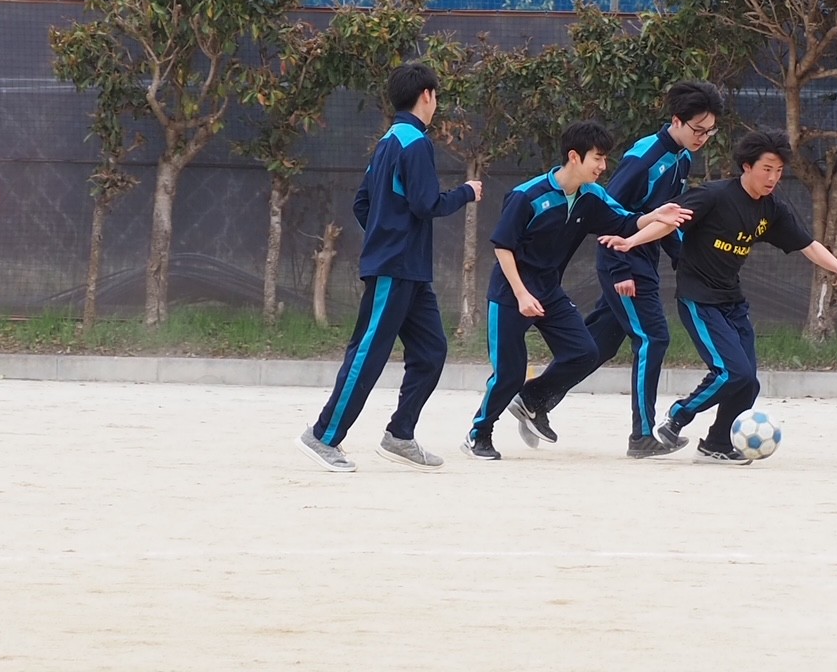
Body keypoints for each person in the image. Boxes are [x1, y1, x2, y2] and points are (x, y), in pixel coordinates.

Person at [600, 129, 837, 464]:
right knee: (731, 373)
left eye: (779, 171)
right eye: (767, 169)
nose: (773, 177)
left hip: (731, 301)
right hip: (698, 298)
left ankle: (717, 443)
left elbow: (806, 244)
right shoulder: (713, 196)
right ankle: (677, 417)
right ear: (747, 166)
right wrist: (631, 242)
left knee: (747, 383)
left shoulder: (773, 210)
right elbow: (668, 222)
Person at [461, 120, 692, 461]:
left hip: (549, 291)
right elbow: (502, 246)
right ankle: (479, 433)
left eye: (604, 159)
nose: (603, 166)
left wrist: (655, 214)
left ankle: (532, 399)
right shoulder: (529, 195)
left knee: (585, 351)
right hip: (511, 293)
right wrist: (522, 294)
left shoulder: (591, 197)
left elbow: (626, 222)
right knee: (509, 373)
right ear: (574, 157)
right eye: (597, 159)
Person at [296, 62, 482, 473]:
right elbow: (427, 204)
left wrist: (385, 234)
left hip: (409, 271)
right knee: (368, 353)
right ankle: (323, 436)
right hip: (395, 269)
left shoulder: (388, 142)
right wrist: (466, 193)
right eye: (437, 96)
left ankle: (400, 434)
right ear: (427, 96)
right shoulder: (413, 142)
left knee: (432, 351)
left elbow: (364, 203)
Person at [530, 81, 726, 459]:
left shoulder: (683, 157)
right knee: (654, 338)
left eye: (710, 131)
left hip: (643, 259)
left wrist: (683, 256)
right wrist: (619, 267)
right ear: (676, 121)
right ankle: (642, 436)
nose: (703, 137)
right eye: (697, 129)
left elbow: (666, 216)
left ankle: (533, 397)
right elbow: (608, 211)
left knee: (598, 346)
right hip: (625, 260)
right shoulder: (645, 158)